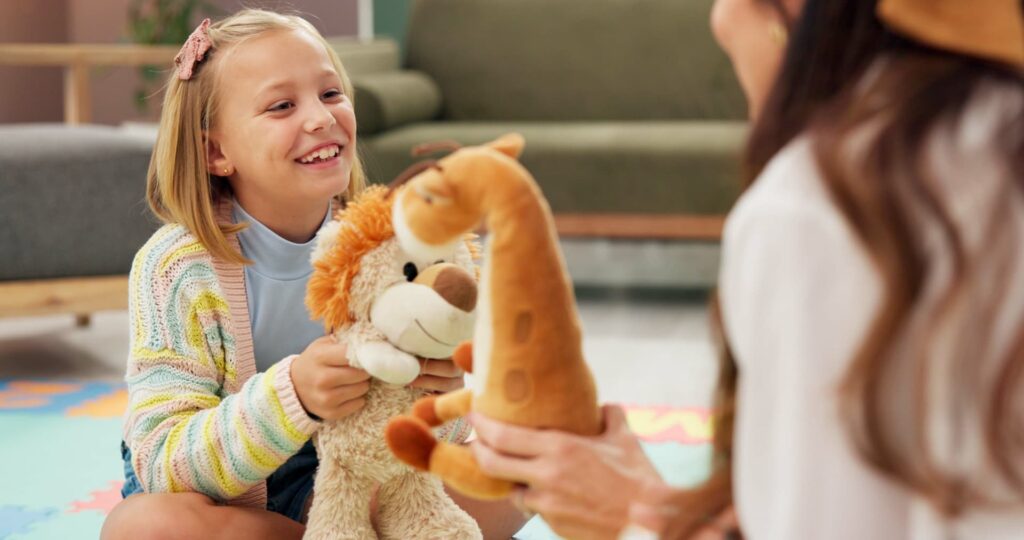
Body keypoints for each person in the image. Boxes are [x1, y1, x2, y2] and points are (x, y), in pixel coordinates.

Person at [469, 0, 1024, 539]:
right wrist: (655, 506)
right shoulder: (989, 143)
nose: (720, 21)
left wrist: (631, 516)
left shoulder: (825, 210)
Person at [101, 9, 526, 539]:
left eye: (330, 93)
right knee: (141, 527)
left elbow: (423, 437)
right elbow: (162, 461)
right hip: (224, 498)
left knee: (522, 459)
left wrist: (438, 401)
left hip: (350, 478)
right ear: (215, 151)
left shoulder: (385, 246)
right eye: (282, 105)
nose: (321, 118)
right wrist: (293, 397)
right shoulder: (176, 268)